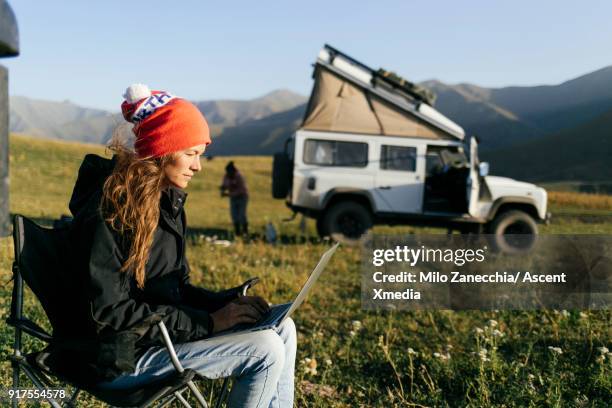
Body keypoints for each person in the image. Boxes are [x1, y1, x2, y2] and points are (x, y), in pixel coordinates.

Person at [64, 84, 296, 407]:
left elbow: (177, 290)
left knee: (284, 328)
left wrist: (228, 303)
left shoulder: (167, 205)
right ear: (163, 149)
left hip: (158, 340)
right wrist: (209, 323)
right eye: (191, 153)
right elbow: (111, 314)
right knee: (266, 350)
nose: (198, 166)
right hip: (119, 357)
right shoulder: (111, 211)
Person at [220, 161, 249, 237]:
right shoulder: (226, 176)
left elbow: (241, 190)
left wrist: (228, 194)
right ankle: (238, 232)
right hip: (233, 198)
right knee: (234, 215)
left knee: (242, 215)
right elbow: (224, 184)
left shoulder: (239, 176)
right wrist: (223, 188)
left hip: (242, 197)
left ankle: (245, 231)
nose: (228, 173)